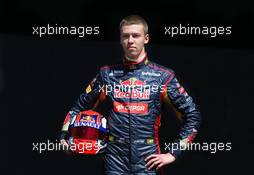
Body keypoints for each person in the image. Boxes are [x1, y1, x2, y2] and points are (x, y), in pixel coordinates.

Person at [59, 15, 201, 175]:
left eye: (136, 35)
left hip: (148, 161)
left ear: (146, 39)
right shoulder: (107, 75)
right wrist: (65, 136)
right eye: (125, 36)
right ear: (120, 39)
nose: (130, 40)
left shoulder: (164, 77)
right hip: (114, 160)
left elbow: (193, 116)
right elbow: (78, 108)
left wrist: (173, 153)